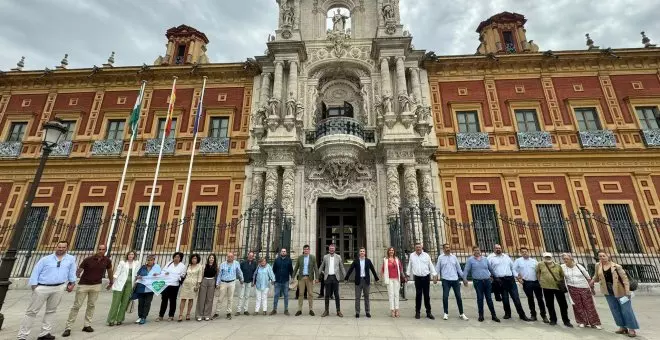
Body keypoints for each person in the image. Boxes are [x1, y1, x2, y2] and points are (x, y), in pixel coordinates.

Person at [18, 241, 76, 340]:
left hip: (59, 287)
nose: (61, 249)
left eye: (63, 247)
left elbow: (71, 271)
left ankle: (44, 333)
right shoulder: (45, 259)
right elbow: (36, 271)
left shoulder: (71, 259)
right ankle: (22, 336)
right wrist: (35, 286)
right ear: (55, 247)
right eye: (59, 246)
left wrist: (72, 283)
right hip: (42, 287)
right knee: (32, 312)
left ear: (67, 248)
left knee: (51, 311)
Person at [62, 244, 112, 336]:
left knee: (91, 305)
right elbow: (78, 271)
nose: (101, 251)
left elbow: (110, 271)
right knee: (76, 306)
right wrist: (71, 282)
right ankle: (68, 327)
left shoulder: (107, 261)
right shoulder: (88, 260)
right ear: (97, 249)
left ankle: (87, 325)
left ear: (105, 250)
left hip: (96, 285)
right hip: (84, 285)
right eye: (99, 249)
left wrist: (111, 282)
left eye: (103, 249)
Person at [591, 250, 639, 337]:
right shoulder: (598, 265)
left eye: (603, 256)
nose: (602, 258)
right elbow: (596, 276)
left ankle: (632, 329)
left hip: (621, 291)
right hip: (608, 291)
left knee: (626, 310)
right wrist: (592, 281)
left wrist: (627, 292)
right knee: (615, 310)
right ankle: (622, 327)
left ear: (608, 256)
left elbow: (625, 280)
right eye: (600, 256)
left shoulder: (616, 266)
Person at [488, 244, 530, 321]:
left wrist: (517, 276)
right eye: (497, 248)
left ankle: (522, 315)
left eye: (499, 248)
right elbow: (488, 269)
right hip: (500, 281)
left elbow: (512, 267)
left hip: (510, 280)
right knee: (505, 299)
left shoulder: (506, 256)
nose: (498, 249)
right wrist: (490, 277)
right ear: (494, 249)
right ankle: (507, 313)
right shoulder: (490, 258)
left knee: (516, 298)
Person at [561, 253, 601, 329]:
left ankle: (594, 323)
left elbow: (588, 277)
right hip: (572, 288)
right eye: (564, 259)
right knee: (577, 306)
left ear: (571, 259)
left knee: (589, 305)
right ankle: (582, 322)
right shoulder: (562, 267)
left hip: (584, 287)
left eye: (567, 258)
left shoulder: (578, 266)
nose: (565, 260)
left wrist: (592, 287)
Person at [462, 246, 499, 322]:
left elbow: (490, 269)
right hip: (478, 282)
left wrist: (496, 277)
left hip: (487, 281)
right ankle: (481, 315)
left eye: (478, 250)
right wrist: (464, 279)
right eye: (475, 250)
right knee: (480, 299)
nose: (477, 251)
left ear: (480, 251)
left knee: (489, 299)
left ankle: (494, 315)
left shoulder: (485, 259)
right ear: (473, 251)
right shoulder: (470, 260)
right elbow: (466, 270)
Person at [536, 253, 572, 327]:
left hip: (558, 288)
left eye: (549, 257)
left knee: (563, 305)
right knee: (549, 304)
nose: (548, 258)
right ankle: (553, 319)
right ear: (543, 257)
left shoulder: (558, 265)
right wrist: (540, 281)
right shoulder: (540, 264)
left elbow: (562, 276)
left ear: (551, 257)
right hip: (546, 287)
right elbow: (538, 273)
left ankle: (566, 321)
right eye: (546, 257)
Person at [513, 247, 548, 323]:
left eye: (525, 251)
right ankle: (533, 315)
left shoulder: (534, 261)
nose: (524, 253)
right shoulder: (518, 261)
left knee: (540, 299)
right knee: (530, 299)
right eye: (522, 252)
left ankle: (544, 315)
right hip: (526, 282)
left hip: (536, 282)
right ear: (521, 253)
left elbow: (539, 271)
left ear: (528, 252)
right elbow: (513, 269)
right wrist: (518, 278)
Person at [106, 250, 140, 327]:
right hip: (120, 284)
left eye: (132, 254)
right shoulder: (122, 262)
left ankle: (120, 319)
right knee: (115, 303)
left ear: (134, 255)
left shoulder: (137, 263)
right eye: (129, 254)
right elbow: (117, 273)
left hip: (130, 285)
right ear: (127, 255)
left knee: (125, 303)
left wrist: (137, 281)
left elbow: (137, 274)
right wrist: (111, 282)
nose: (131, 256)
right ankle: (111, 320)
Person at [436, 243, 467, 321]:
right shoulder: (440, 257)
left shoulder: (454, 257)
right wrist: (435, 277)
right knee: (445, 297)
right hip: (445, 280)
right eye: (446, 247)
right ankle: (446, 313)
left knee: (459, 297)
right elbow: (437, 268)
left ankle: (461, 313)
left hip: (455, 280)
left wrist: (464, 278)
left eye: (449, 247)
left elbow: (459, 269)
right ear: (443, 249)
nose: (448, 249)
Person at [406, 243, 437, 320]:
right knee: (418, 295)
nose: (418, 248)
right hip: (417, 278)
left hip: (426, 277)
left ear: (421, 247)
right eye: (417, 247)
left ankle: (428, 312)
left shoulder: (426, 255)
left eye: (419, 247)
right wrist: (408, 274)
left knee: (427, 295)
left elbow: (430, 265)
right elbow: (410, 265)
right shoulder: (412, 255)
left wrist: (434, 274)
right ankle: (417, 312)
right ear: (415, 248)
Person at [345, 247, 379, 318]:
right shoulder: (356, 261)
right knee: (357, 297)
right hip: (358, 281)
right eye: (361, 251)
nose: (362, 252)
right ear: (359, 253)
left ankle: (367, 311)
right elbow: (351, 269)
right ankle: (357, 312)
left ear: (365, 253)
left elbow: (372, 269)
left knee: (367, 297)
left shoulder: (368, 261)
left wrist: (376, 278)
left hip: (366, 281)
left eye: (363, 251)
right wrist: (346, 278)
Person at [157, 252, 186, 322]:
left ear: (180, 258)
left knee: (173, 300)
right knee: (164, 300)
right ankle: (161, 315)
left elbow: (183, 275)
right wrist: (165, 273)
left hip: (174, 285)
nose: (176, 258)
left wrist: (178, 277)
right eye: (175, 257)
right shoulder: (169, 263)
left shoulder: (182, 266)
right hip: (166, 284)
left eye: (178, 257)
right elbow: (163, 271)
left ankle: (171, 315)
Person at [318, 244, 346, 317]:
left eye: (333, 248)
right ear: (329, 249)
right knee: (327, 295)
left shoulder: (338, 257)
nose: (331, 250)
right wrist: (317, 275)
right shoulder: (325, 257)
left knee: (336, 295)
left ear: (335, 249)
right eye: (330, 248)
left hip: (335, 278)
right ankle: (326, 311)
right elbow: (322, 266)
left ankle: (338, 311)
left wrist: (345, 276)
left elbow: (342, 267)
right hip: (327, 278)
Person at [215, 252, 244, 320]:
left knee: (230, 299)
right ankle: (217, 312)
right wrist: (217, 283)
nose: (230, 258)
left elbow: (239, 271)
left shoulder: (236, 263)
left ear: (233, 257)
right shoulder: (222, 264)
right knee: (220, 298)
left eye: (231, 256)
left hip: (232, 282)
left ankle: (229, 313)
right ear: (226, 257)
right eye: (228, 256)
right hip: (223, 282)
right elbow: (219, 274)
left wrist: (241, 279)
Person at [134, 254, 161, 325]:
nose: (149, 261)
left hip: (150, 289)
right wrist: (138, 277)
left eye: (151, 260)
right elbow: (137, 275)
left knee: (147, 303)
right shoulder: (143, 267)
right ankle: (139, 316)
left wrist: (157, 275)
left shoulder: (157, 267)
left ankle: (144, 317)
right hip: (141, 287)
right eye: (148, 260)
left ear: (154, 261)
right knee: (141, 303)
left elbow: (160, 276)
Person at [293, 244, 319, 316]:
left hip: (309, 278)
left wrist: (317, 278)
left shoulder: (313, 258)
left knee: (310, 294)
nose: (306, 250)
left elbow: (316, 268)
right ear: (303, 250)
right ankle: (299, 309)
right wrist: (293, 277)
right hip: (301, 278)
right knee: (300, 294)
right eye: (305, 249)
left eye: (307, 249)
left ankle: (311, 309)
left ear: (309, 250)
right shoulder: (300, 257)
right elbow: (296, 268)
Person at [381, 247, 405, 318]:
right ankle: (392, 310)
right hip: (389, 279)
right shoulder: (385, 260)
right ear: (388, 252)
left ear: (394, 251)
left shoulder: (397, 259)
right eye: (390, 250)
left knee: (396, 295)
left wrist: (404, 276)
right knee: (391, 295)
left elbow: (400, 268)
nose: (391, 251)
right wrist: (382, 277)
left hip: (396, 279)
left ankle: (397, 310)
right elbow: (383, 269)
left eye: (392, 250)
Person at [178, 253, 202, 321]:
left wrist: (198, 285)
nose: (194, 260)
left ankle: (188, 314)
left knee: (191, 299)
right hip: (186, 284)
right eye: (193, 258)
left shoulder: (199, 266)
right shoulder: (188, 265)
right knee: (183, 299)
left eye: (195, 258)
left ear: (197, 259)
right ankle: (180, 314)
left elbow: (200, 276)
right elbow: (184, 274)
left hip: (193, 285)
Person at [271, 248, 293, 315]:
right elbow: (273, 270)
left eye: (284, 251)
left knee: (286, 295)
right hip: (277, 281)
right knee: (276, 295)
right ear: (280, 252)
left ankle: (286, 310)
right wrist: (272, 279)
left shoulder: (289, 260)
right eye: (282, 251)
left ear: (286, 253)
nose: (283, 252)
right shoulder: (277, 260)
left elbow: (291, 270)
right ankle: (274, 309)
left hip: (285, 280)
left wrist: (292, 278)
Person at [196, 254, 218, 321]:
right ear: (208, 259)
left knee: (209, 299)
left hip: (212, 281)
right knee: (201, 298)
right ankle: (199, 314)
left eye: (213, 258)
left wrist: (217, 284)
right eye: (210, 258)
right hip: (204, 281)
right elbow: (201, 275)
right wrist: (199, 283)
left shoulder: (216, 267)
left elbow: (217, 276)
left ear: (214, 260)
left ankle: (207, 314)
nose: (211, 259)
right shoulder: (204, 266)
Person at [237, 252, 257, 316]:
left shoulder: (254, 263)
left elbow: (255, 273)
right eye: (250, 255)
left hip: (249, 282)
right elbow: (239, 272)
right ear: (247, 255)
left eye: (252, 256)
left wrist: (254, 282)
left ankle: (246, 310)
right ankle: (238, 310)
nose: (251, 257)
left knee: (247, 296)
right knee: (241, 296)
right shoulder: (243, 263)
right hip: (243, 281)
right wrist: (240, 279)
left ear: (253, 257)